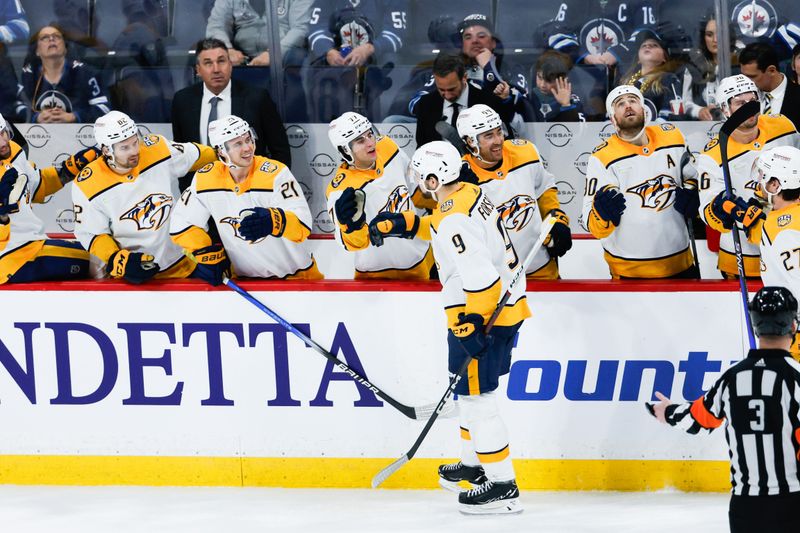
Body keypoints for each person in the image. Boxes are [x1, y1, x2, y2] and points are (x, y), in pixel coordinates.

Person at [368, 141, 529, 514]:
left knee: (478, 402)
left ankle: (503, 486)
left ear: (434, 177)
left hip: (481, 315)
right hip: (503, 310)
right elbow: (442, 227)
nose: (419, 183)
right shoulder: (469, 193)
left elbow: (481, 275)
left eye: (423, 177)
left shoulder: (452, 216)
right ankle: (473, 466)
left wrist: (472, 323)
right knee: (471, 397)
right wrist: (404, 224)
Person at [647, 285, 800, 533]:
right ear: (793, 325)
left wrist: (668, 411)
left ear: (755, 326)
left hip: (744, 508)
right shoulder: (796, 379)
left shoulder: (731, 378)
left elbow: (696, 419)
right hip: (791, 504)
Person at [72, 110, 218, 284]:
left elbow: (200, 156)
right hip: (133, 273)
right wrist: (117, 259)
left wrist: (230, 154)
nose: (134, 151)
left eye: (135, 142)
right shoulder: (87, 184)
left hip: (182, 264)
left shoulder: (156, 148)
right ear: (106, 150)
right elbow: (93, 234)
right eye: (124, 147)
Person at [170, 115, 322, 281]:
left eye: (248, 139)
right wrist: (206, 253)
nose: (248, 148)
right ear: (221, 150)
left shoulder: (276, 173)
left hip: (296, 278)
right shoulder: (205, 178)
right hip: (244, 281)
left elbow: (303, 225)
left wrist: (274, 220)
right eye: (238, 144)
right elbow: (181, 223)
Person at [580, 85, 699, 279]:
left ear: (644, 111)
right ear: (612, 119)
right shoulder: (602, 157)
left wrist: (694, 192)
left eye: (633, 101)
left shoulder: (673, 137)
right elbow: (590, 221)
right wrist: (601, 215)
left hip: (679, 263)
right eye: (620, 104)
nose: (628, 106)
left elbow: (692, 176)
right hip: (628, 271)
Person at [697, 74, 800, 279]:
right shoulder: (712, 155)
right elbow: (706, 210)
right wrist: (723, 210)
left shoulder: (782, 126)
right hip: (744, 259)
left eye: (752, 100)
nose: (748, 107)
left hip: (790, 249)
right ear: (725, 109)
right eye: (740, 103)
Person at [456, 104, 572, 279]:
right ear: (471, 142)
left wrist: (557, 218)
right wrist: (462, 194)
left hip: (540, 266)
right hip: (497, 276)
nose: (498, 140)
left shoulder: (526, 152)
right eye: (489, 136)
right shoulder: (461, 177)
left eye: (498, 131)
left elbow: (545, 189)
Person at [326, 111, 433, 280]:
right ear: (345, 150)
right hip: (377, 273)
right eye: (361, 140)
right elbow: (351, 244)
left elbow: (416, 190)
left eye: (370, 134)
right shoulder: (340, 192)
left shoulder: (387, 147)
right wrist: (350, 227)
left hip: (423, 254)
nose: (370, 143)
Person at [171, 38, 291, 173]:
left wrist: (271, 184)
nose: (216, 69)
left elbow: (280, 150)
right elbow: (182, 154)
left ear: (230, 65)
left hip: (248, 187)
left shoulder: (257, 98)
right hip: (201, 188)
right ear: (198, 70)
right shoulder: (182, 101)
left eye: (221, 61)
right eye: (208, 63)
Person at [0, 113, 95, 283]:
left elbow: (36, 186)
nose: (2, 143)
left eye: (2, 133)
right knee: (98, 259)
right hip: (12, 258)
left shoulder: (12, 150)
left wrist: (69, 169)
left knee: (96, 251)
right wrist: (2, 213)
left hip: (31, 243)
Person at [414, 52, 514, 148]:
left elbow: (506, 141)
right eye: (441, 89)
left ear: (465, 77)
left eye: (452, 89)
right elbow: (422, 146)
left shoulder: (488, 101)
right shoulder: (426, 103)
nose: (447, 95)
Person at [756, 145, 800, 358]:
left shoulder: (781, 229)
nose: (759, 183)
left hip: (794, 334)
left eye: (763, 176)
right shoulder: (785, 219)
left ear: (775, 184)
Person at [19, 25, 112, 124]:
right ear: (37, 50)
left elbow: (104, 108)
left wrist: (75, 117)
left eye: (57, 36)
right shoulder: (28, 76)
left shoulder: (85, 73)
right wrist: (36, 117)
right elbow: (13, 107)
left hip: (79, 137)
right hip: (36, 136)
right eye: (45, 37)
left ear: (65, 48)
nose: (51, 39)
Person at [205, 0, 313, 67]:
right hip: (241, 60)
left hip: (285, 59)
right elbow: (216, 25)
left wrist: (274, 54)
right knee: (214, 57)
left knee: (298, 56)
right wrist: (227, 50)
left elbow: (300, 29)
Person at [617, 27, 686, 122]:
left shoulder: (668, 79)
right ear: (638, 59)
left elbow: (674, 112)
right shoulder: (625, 83)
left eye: (654, 45)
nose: (647, 46)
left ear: (664, 57)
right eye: (643, 45)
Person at [739, 42, 800, 131]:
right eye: (743, 76)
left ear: (771, 70)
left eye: (752, 77)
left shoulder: (797, 96)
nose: (746, 82)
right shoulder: (740, 98)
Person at [529, 50, 584, 122]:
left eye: (549, 81)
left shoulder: (572, 101)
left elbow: (578, 131)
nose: (542, 85)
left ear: (564, 80)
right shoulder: (529, 97)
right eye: (539, 77)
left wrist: (566, 105)